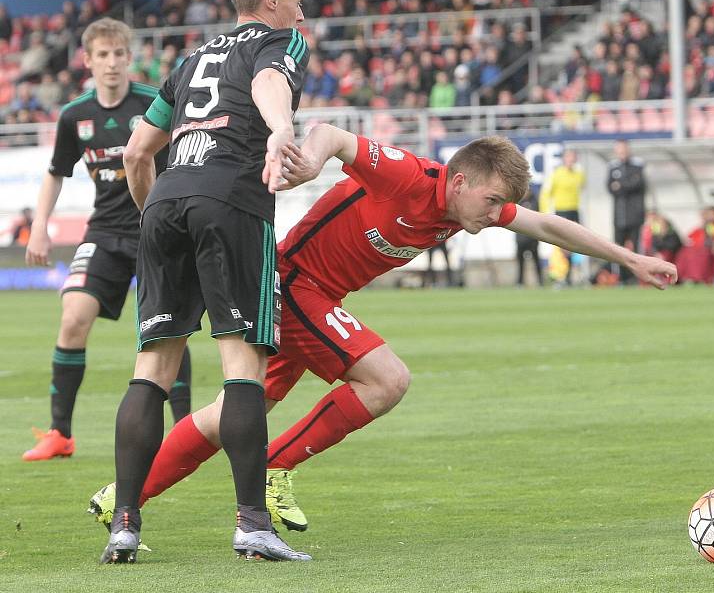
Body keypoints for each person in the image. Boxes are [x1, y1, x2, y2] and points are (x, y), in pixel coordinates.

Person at [89, 123, 677, 536]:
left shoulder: (469, 206)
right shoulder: (411, 177)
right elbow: (332, 133)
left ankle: (124, 494)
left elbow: (550, 226)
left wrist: (631, 261)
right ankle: (275, 470)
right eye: (491, 200)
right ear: (460, 179)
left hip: (313, 297)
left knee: (230, 416)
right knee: (387, 380)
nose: (494, 214)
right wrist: (316, 160)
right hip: (293, 285)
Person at [100, 0, 311, 564]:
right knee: (242, 368)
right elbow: (273, 83)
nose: (301, 12)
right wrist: (280, 129)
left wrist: (152, 218)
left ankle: (125, 525)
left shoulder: (191, 58)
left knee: (152, 370)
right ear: (272, 1)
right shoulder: (279, 44)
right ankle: (251, 524)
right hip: (232, 204)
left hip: (165, 204)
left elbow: (138, 153)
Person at [22, 18, 192, 463]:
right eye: (103, 55)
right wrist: (40, 224)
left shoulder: (154, 103)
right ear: (88, 60)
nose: (112, 63)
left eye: (119, 54)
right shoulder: (74, 115)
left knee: (165, 327)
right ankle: (60, 434)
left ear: (129, 58)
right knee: (73, 315)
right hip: (103, 232)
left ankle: (187, 432)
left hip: (153, 228)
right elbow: (56, 173)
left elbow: (183, 161)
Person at [540, 149, 585, 285]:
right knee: (561, 246)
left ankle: (571, 275)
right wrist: (545, 212)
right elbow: (546, 194)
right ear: (564, 159)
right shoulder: (557, 174)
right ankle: (560, 275)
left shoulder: (579, 174)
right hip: (561, 212)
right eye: (568, 157)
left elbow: (582, 188)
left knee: (574, 246)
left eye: (573, 157)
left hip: (574, 211)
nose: (571, 160)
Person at [606, 139, 646, 284]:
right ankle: (622, 278)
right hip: (619, 216)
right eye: (619, 150)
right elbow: (610, 188)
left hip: (635, 215)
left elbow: (637, 183)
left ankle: (637, 277)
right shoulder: (613, 167)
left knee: (635, 247)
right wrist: (626, 184)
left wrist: (621, 185)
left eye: (624, 149)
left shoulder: (637, 165)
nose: (622, 152)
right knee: (619, 248)